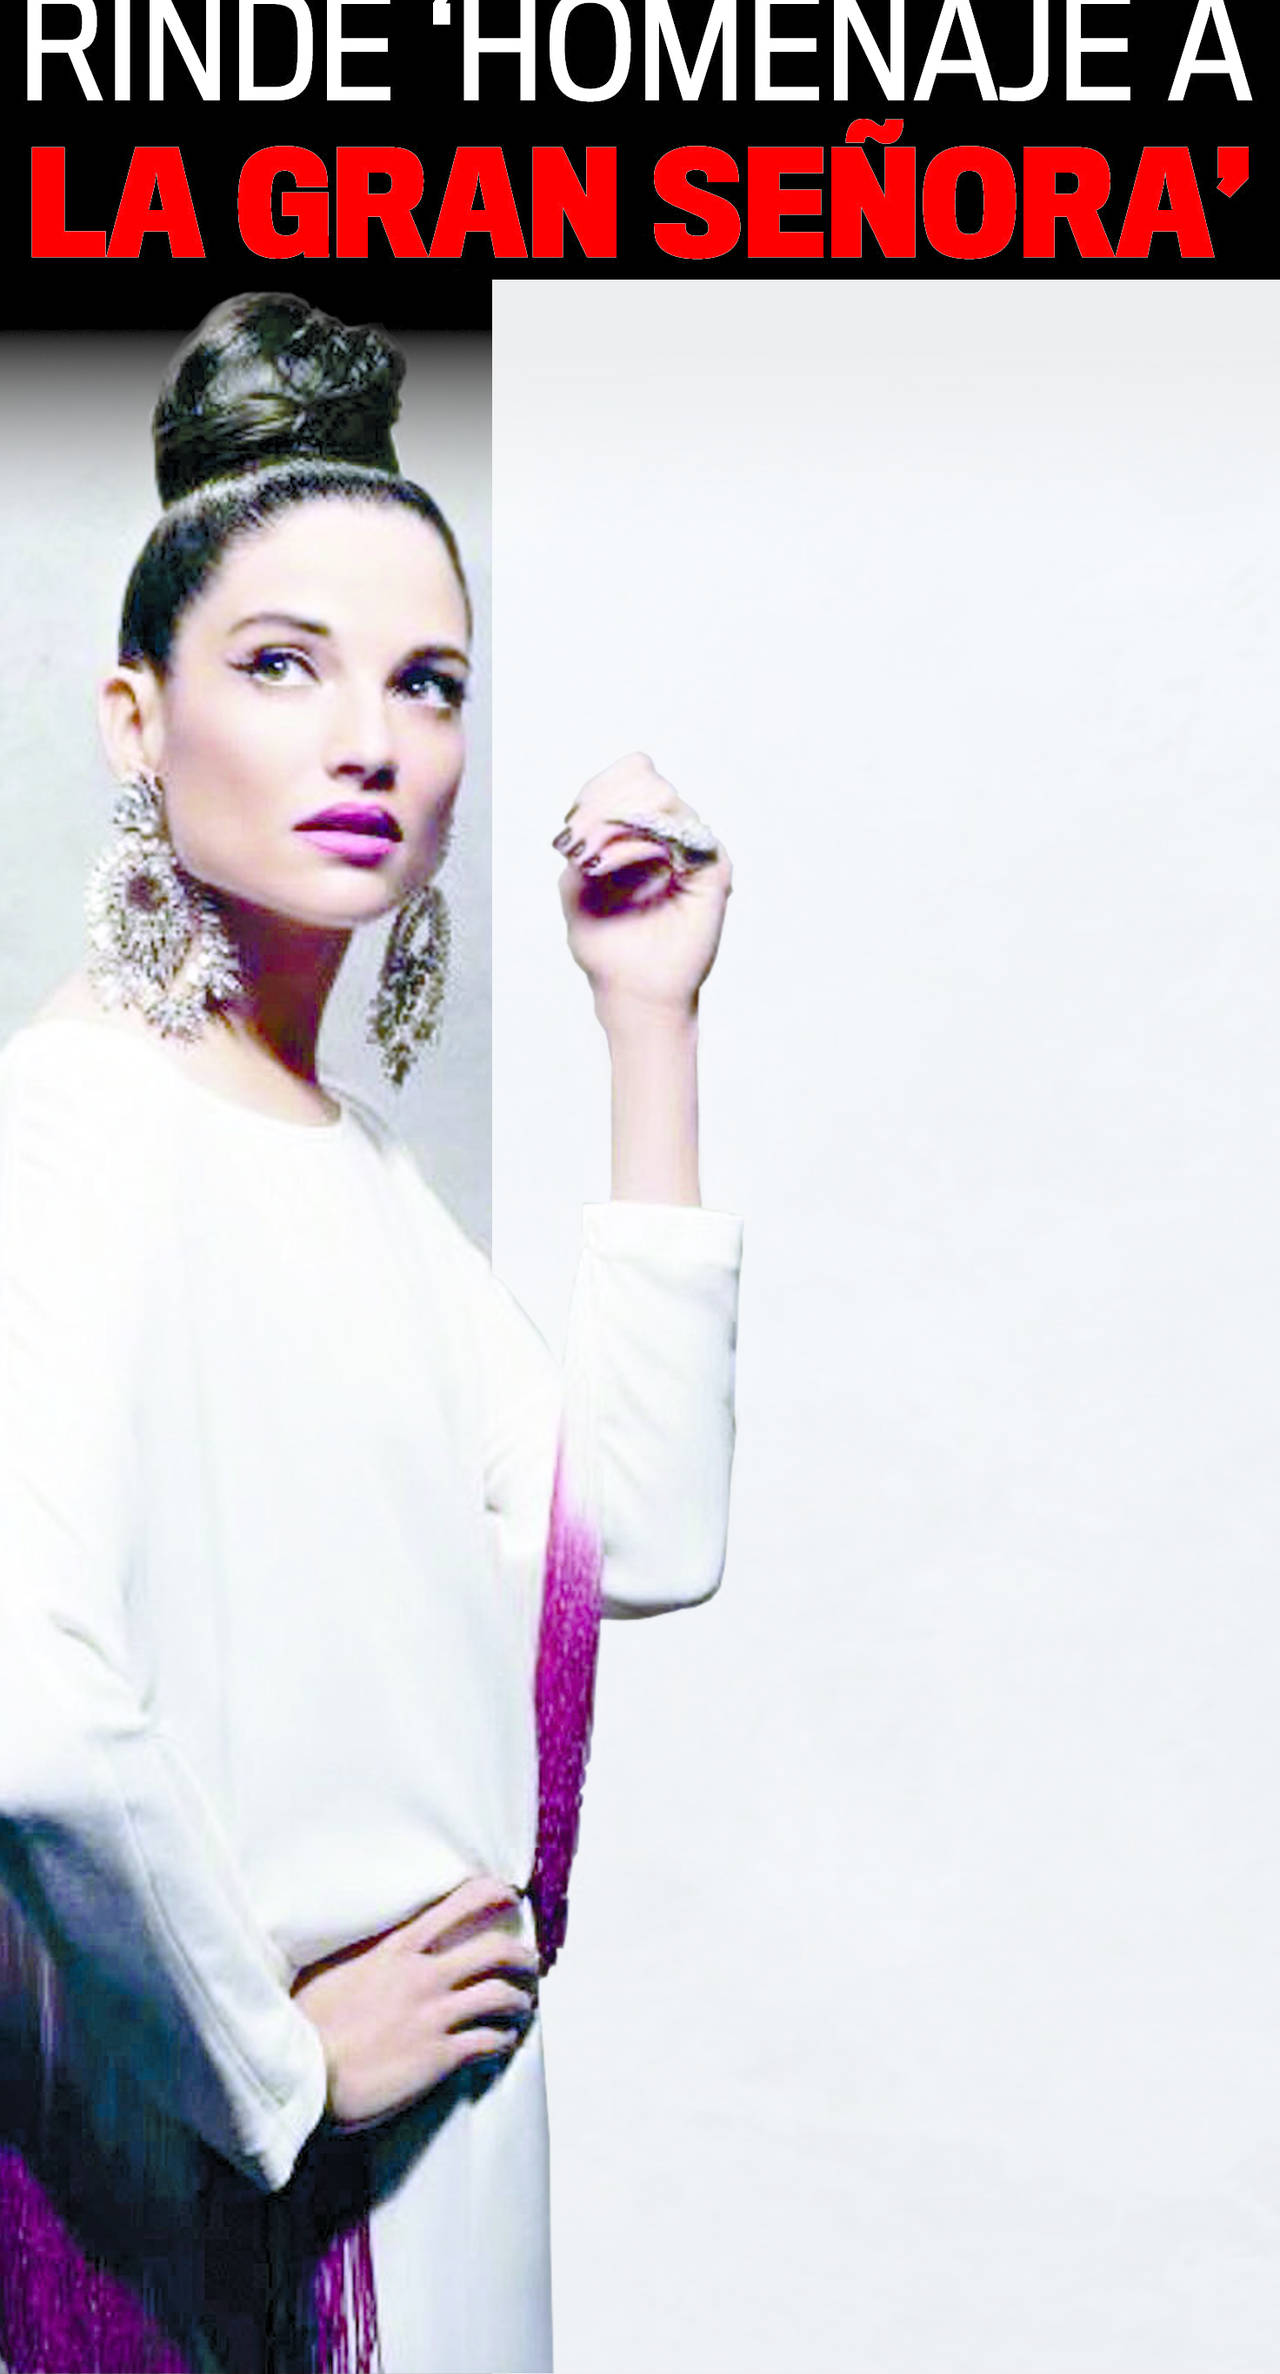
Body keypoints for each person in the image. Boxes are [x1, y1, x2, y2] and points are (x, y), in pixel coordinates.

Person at [0, 296, 740, 2374]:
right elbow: (30, 1710)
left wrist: (648, 1021)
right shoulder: (73, 1132)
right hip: (259, 2202)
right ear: (135, 718)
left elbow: (637, 1531)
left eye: (427, 682)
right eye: (280, 664)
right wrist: (277, 2066)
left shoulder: (360, 1181)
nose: (370, 741)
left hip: (445, 2174)